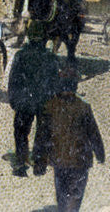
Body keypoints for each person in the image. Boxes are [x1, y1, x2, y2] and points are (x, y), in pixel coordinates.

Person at [34, 66, 105, 211]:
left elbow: (41, 136)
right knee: (75, 194)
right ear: (76, 86)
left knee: (62, 194)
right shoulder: (83, 107)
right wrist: (100, 154)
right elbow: (94, 133)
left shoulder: (48, 107)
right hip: (80, 159)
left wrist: (39, 160)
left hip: (59, 159)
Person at [8, 22, 61, 177]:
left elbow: (13, 80)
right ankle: (39, 166)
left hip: (24, 102)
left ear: (29, 38)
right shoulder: (51, 58)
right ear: (45, 39)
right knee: (43, 134)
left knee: (21, 133)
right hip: (44, 102)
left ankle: (20, 164)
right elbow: (56, 83)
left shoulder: (20, 55)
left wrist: (14, 101)